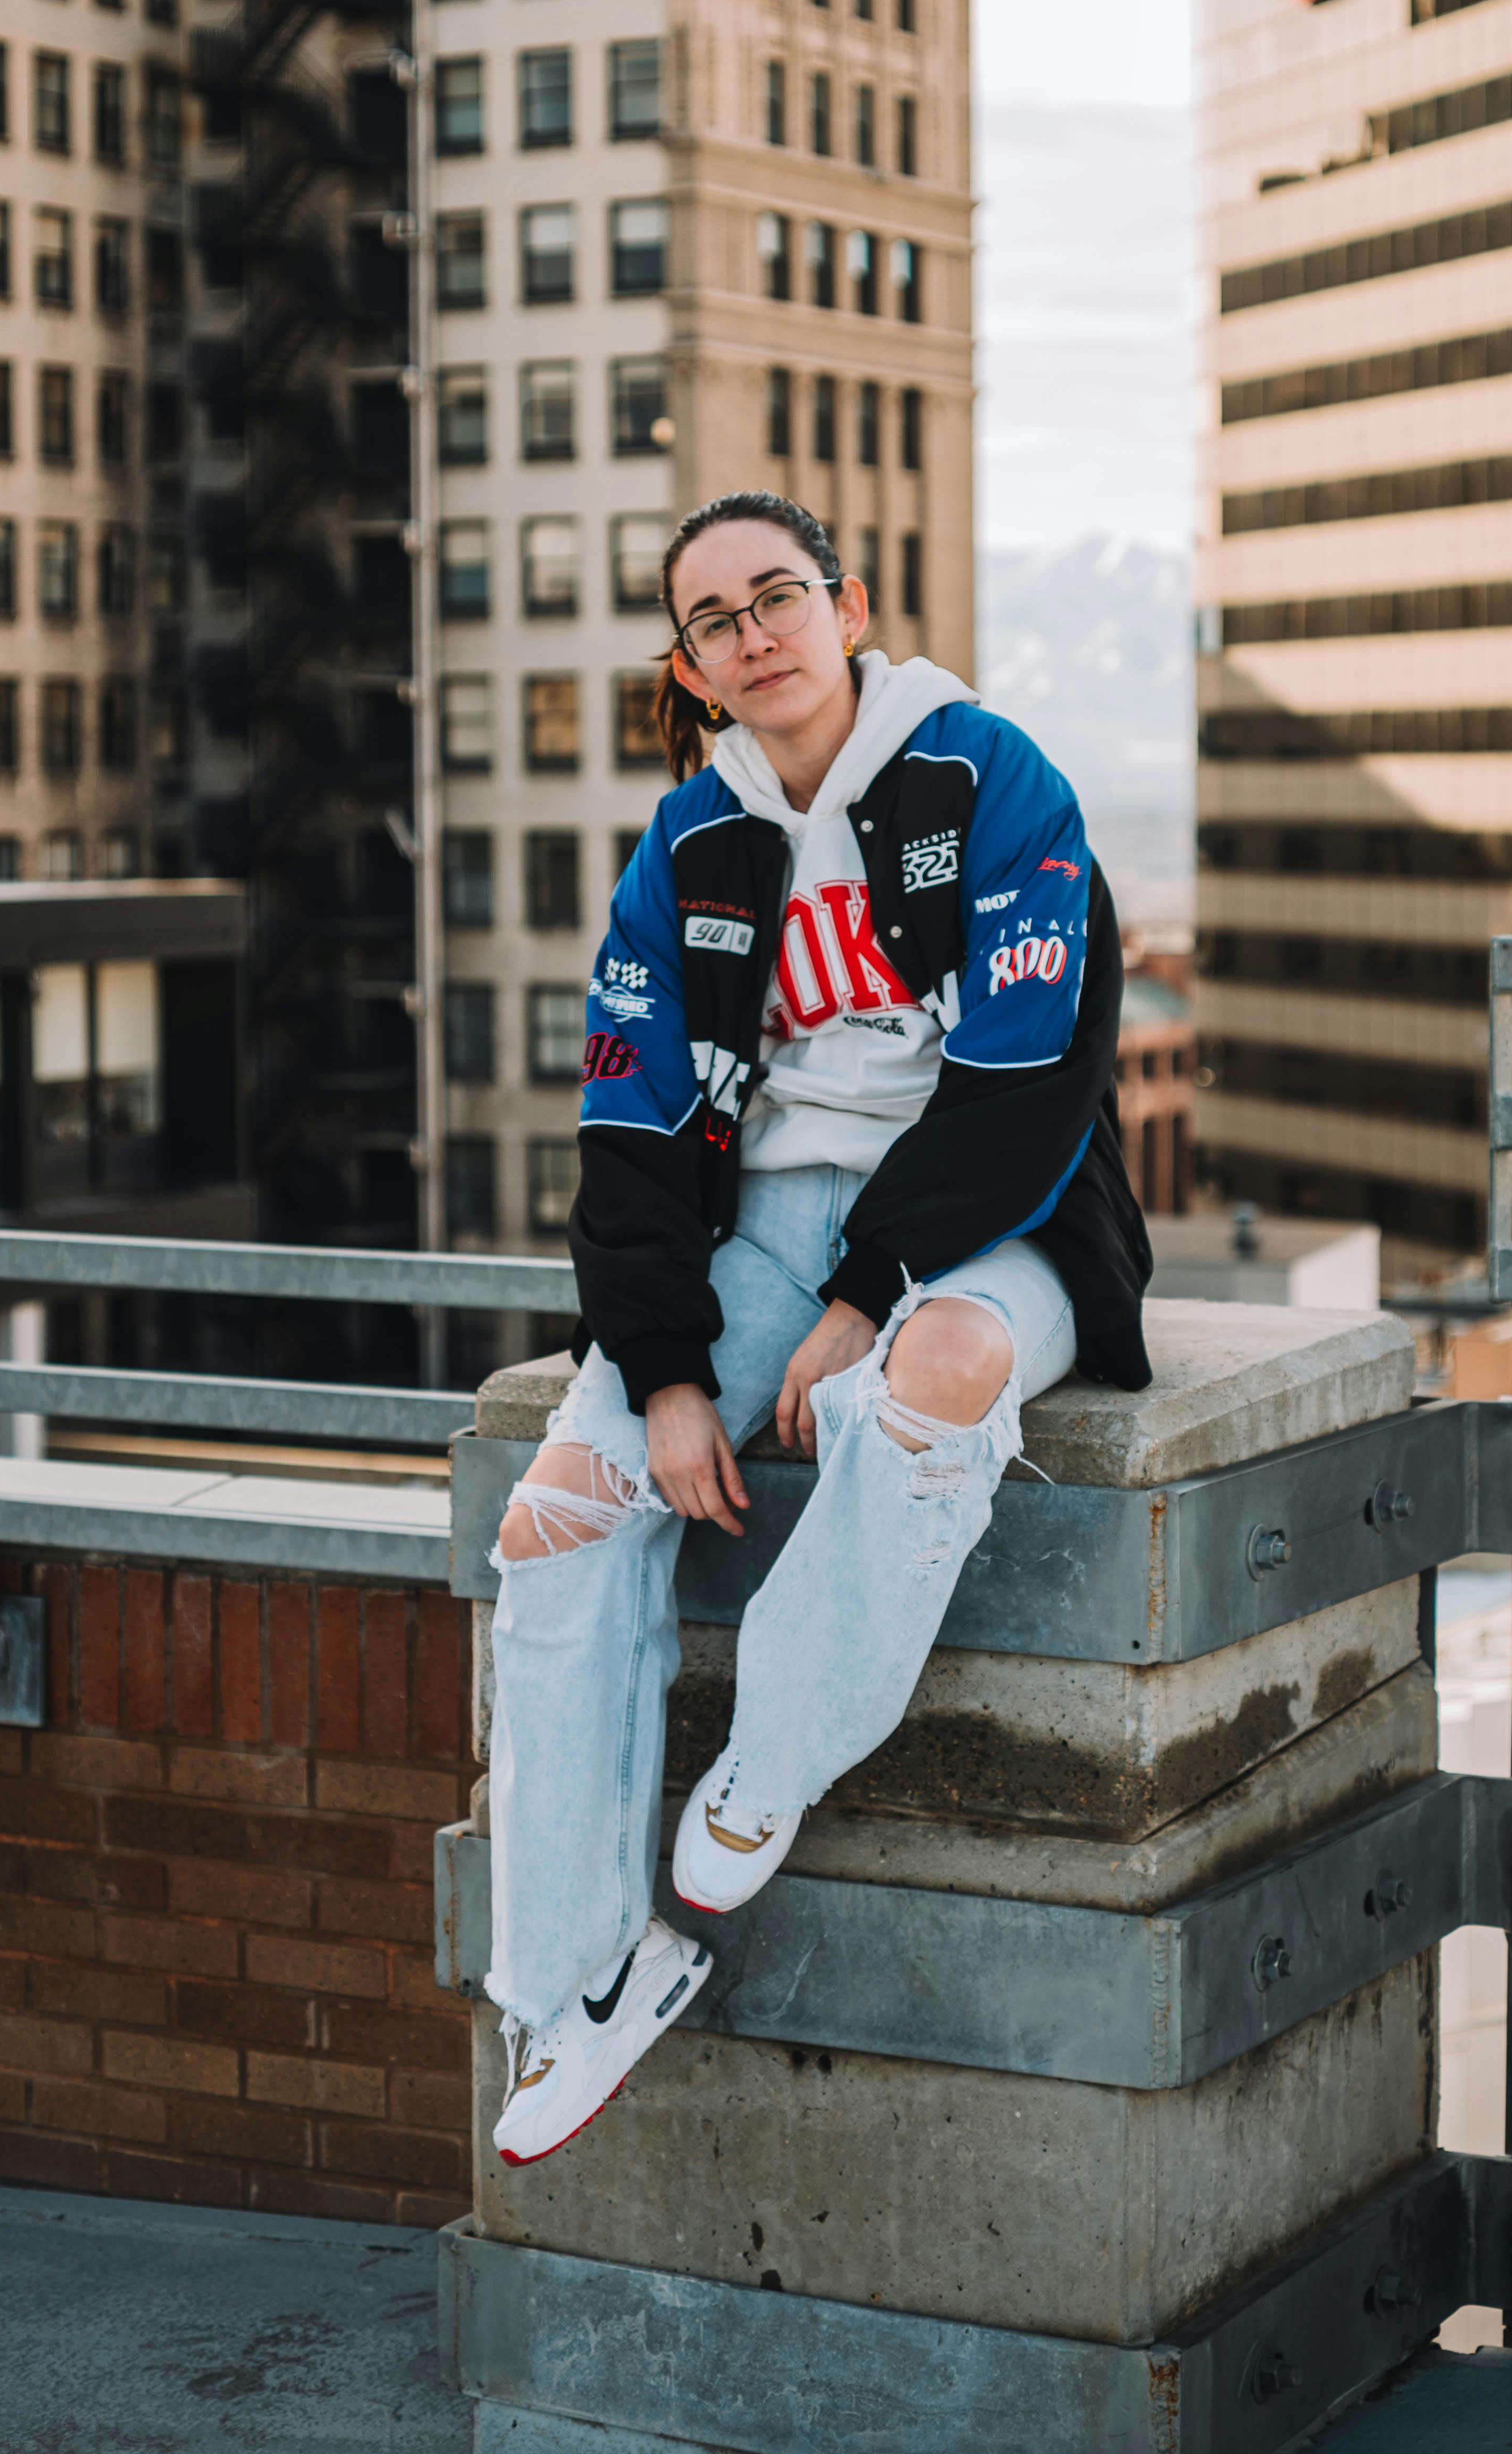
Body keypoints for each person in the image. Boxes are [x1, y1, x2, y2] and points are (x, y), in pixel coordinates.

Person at [484, 492, 1152, 2164]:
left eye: (778, 594)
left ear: (847, 604)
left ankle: (771, 1759)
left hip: (1005, 1209)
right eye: (714, 619)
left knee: (939, 1376)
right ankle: (577, 1977)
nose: (753, 632)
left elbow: (1028, 1082)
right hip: (762, 1227)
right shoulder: (689, 849)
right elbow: (631, 1135)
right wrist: (662, 1373)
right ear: (693, 667)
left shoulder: (986, 778)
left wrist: (866, 1298)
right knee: (558, 1519)